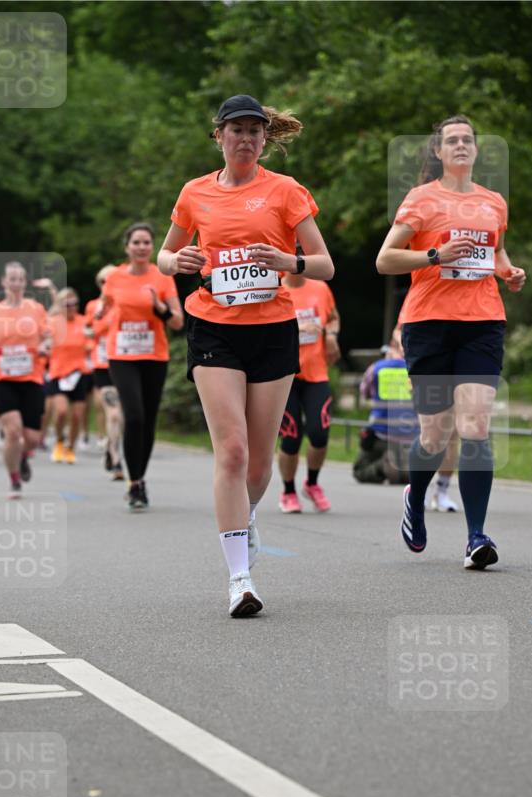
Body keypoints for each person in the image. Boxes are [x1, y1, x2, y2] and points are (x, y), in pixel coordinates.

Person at [157, 94, 334, 616]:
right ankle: (240, 579)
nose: (247, 139)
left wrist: (288, 258)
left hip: (274, 330)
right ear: (219, 136)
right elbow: (168, 255)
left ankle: (247, 514)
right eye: (237, 130)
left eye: (255, 131)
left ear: (264, 139)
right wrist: (178, 259)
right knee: (231, 453)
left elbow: (325, 265)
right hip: (214, 328)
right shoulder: (195, 193)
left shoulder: (286, 191)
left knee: (258, 467)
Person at [376, 114, 526, 569]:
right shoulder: (421, 199)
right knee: (435, 435)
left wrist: (509, 272)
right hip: (429, 324)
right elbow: (385, 260)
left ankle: (476, 537)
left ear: (476, 150)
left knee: (476, 426)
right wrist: (434, 255)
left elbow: (495, 251)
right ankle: (416, 496)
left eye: (468, 140)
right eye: (452, 141)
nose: (461, 146)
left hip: (482, 321)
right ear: (438, 152)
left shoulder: (493, 202)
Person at [96, 223, 183, 508]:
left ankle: (140, 478)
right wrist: (100, 310)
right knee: (133, 415)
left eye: (147, 242)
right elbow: (105, 304)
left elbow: (177, 321)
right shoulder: (115, 278)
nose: (142, 247)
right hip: (121, 355)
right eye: (137, 242)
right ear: (127, 247)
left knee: (147, 420)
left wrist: (159, 308)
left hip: (154, 355)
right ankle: (133, 482)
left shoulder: (162, 278)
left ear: (152, 247)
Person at [0, 262, 51, 494]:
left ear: (24, 283)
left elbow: (49, 338)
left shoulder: (36, 309)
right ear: (4, 282)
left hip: (31, 377)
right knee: (13, 431)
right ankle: (14, 477)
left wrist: (44, 347)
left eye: (20, 279)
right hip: (1, 377)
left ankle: (24, 456)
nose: (16, 283)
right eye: (12, 279)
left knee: (31, 437)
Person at [277, 268, 340, 512]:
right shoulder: (275, 288)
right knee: (291, 437)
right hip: (284, 376)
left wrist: (331, 335)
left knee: (319, 433)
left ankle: (312, 484)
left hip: (316, 373)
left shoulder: (320, 288)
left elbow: (333, 317)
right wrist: (294, 331)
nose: (298, 260)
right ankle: (288, 490)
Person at [353, 326, 418, 485]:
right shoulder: (417, 369)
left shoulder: (376, 368)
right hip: (412, 436)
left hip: (382, 434)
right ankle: (407, 471)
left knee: (359, 471)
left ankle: (383, 466)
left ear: (391, 346)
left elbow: (365, 392)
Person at [83, 264, 124, 480]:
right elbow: (87, 329)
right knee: (114, 413)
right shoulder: (93, 306)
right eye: (105, 282)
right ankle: (117, 460)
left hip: (127, 362)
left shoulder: (124, 303)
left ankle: (110, 445)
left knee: (124, 416)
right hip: (103, 364)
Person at [48, 287, 92, 464]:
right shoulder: (53, 323)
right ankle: (59, 440)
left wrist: (92, 339)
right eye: (67, 304)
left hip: (78, 374)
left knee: (76, 415)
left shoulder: (83, 322)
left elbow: (91, 343)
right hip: (58, 373)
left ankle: (71, 447)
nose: (72, 307)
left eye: (75, 304)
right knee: (61, 412)